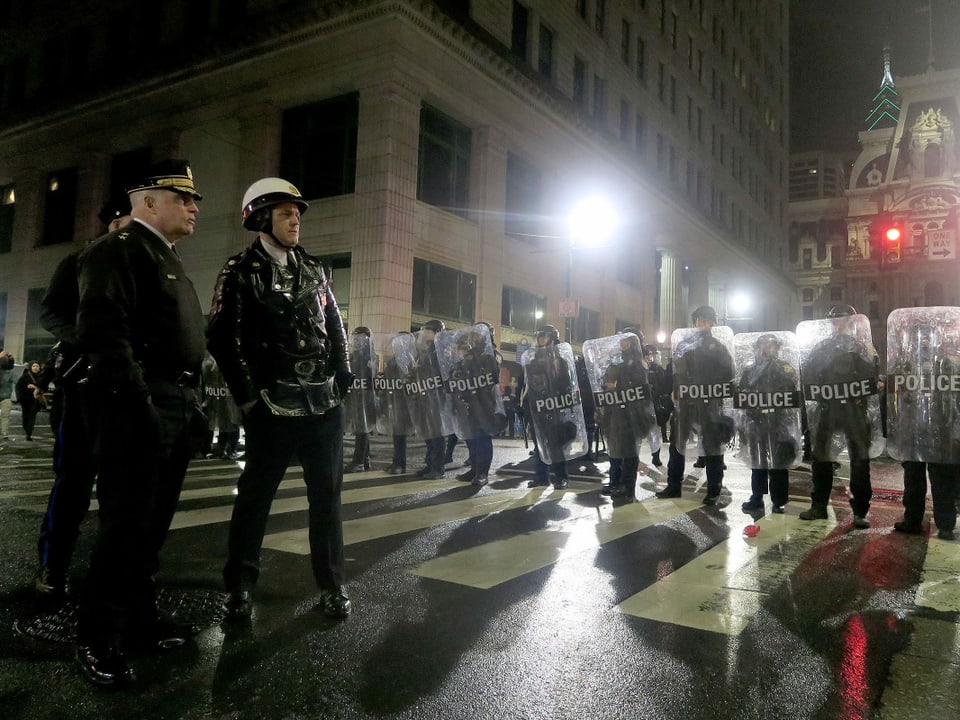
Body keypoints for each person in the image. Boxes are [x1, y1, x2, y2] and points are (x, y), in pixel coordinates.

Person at [74, 160, 206, 687]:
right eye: (184, 198)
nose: (194, 207)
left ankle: (138, 621)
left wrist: (189, 407)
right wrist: (141, 408)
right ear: (148, 201)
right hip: (138, 406)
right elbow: (107, 336)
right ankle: (97, 637)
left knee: (150, 530)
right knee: (124, 528)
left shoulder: (164, 255)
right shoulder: (118, 251)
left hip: (171, 402)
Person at [207, 177, 353, 623]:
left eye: (297, 214)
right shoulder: (239, 270)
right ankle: (239, 587)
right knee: (255, 498)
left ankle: (331, 583)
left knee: (326, 498)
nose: (296, 221)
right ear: (260, 216)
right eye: (287, 213)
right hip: (272, 404)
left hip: (324, 404)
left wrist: (344, 373)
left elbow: (335, 322)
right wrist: (249, 398)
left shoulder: (314, 267)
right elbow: (221, 338)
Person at [34, 194, 133, 601]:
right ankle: (52, 567)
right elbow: (51, 313)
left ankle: (111, 577)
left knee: (122, 490)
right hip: (82, 389)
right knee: (73, 482)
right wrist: (90, 339)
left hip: (128, 390)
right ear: (114, 223)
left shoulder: (146, 262)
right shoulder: (80, 260)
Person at [798, 304, 880, 528]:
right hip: (828, 407)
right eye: (835, 319)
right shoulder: (822, 347)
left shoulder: (862, 347)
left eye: (843, 318)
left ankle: (861, 511)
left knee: (860, 460)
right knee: (821, 458)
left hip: (854, 408)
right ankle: (818, 506)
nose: (839, 322)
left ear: (852, 321)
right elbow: (809, 374)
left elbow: (873, 376)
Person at [887, 309, 960, 540]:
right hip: (926, 429)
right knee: (931, 476)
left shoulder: (939, 363)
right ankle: (941, 523)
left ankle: (919, 520)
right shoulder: (910, 364)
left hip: (928, 429)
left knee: (928, 476)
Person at [656, 306, 735, 504]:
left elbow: (729, 374)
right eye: (699, 320)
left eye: (706, 320)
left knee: (712, 448)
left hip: (709, 404)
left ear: (712, 323)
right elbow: (672, 370)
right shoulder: (684, 345)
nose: (702, 323)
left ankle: (713, 490)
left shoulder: (718, 347)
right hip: (686, 403)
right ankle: (674, 485)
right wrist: (670, 388)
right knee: (676, 445)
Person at [585, 329, 658, 502]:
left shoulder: (638, 363)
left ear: (633, 342)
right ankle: (615, 482)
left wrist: (615, 388)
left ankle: (627, 487)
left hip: (631, 414)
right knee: (615, 449)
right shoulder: (618, 360)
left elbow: (639, 390)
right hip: (615, 411)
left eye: (624, 340)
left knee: (630, 451)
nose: (621, 343)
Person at [736, 333, 802, 515]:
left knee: (778, 461)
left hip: (777, 422)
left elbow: (792, 391)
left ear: (777, 349)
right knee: (758, 461)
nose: (766, 349)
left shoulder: (784, 368)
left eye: (770, 345)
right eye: (763, 345)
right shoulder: (750, 369)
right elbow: (741, 393)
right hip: (756, 421)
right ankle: (757, 496)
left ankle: (779, 499)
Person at [440, 323, 505, 486]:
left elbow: (492, 374)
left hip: (484, 404)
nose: (474, 339)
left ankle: (482, 473)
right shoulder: (467, 356)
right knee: (471, 438)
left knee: (483, 438)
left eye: (478, 336)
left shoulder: (491, 355)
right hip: (466, 403)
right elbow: (457, 374)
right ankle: (474, 469)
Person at [521, 325, 584, 490]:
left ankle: (561, 477)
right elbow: (527, 385)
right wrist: (522, 404)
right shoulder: (533, 359)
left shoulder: (560, 361)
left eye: (544, 337)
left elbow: (567, 385)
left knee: (556, 445)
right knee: (539, 445)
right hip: (537, 408)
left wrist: (562, 401)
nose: (540, 340)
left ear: (552, 339)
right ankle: (541, 477)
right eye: (539, 337)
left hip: (554, 407)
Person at [405, 319, 453, 479]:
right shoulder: (423, 351)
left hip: (437, 397)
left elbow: (444, 374)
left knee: (437, 433)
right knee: (428, 433)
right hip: (424, 396)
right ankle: (430, 463)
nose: (423, 333)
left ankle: (437, 468)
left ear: (436, 332)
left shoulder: (442, 350)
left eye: (427, 330)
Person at [376, 332, 415, 474]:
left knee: (400, 436)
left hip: (402, 403)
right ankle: (397, 463)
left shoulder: (408, 360)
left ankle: (399, 464)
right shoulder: (395, 360)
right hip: (394, 401)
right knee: (397, 436)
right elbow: (386, 381)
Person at [344, 326, 377, 473]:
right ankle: (365, 459)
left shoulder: (368, 355)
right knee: (361, 428)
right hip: (356, 395)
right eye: (355, 338)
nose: (356, 341)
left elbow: (368, 376)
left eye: (360, 338)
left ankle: (358, 461)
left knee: (362, 429)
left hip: (364, 396)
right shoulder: (355, 354)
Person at [201, 353, 242, 459]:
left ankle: (231, 448)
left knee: (231, 419)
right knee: (221, 420)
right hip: (216, 392)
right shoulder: (209, 353)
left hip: (227, 392)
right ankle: (221, 449)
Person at [644, 344, 670, 467]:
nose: (652, 356)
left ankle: (655, 456)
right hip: (640, 405)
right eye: (650, 354)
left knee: (653, 433)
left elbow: (664, 385)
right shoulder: (639, 368)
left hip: (653, 403)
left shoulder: (658, 369)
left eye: (654, 354)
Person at [16, 361, 43, 440]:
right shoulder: (25, 377)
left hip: (35, 401)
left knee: (32, 416)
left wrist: (34, 387)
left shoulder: (41, 377)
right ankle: (27, 430)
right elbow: (18, 387)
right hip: (25, 400)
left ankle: (29, 432)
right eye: (34, 366)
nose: (35, 368)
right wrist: (19, 398)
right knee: (25, 416)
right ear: (31, 367)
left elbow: (44, 388)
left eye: (37, 366)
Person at [0, 349, 14, 441]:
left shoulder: (9, 370)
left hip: (5, 396)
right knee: (5, 415)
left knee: (5, 415)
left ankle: (5, 432)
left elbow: (5, 380)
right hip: (5, 395)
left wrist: (11, 360)